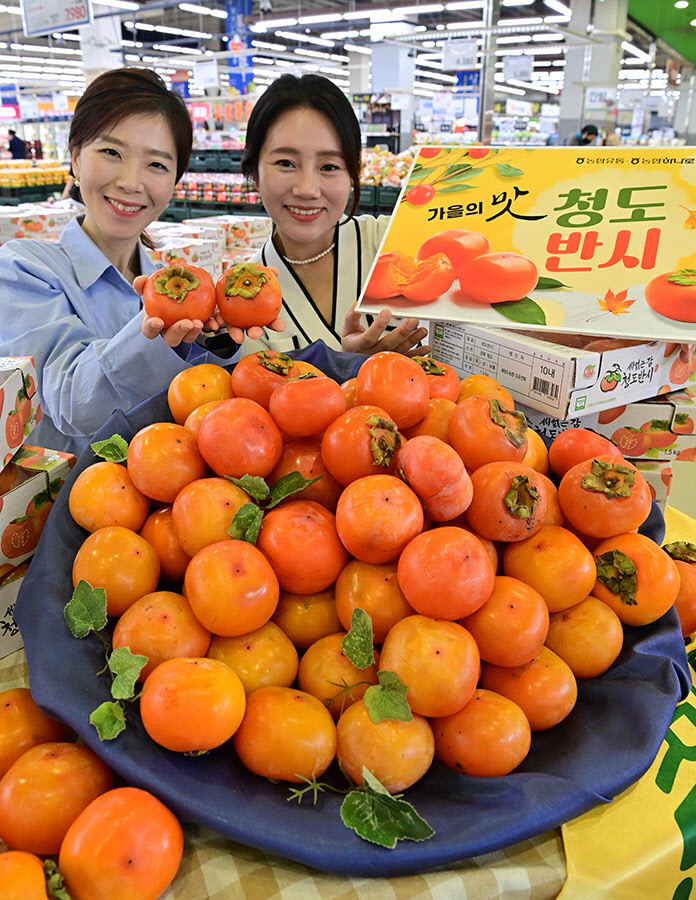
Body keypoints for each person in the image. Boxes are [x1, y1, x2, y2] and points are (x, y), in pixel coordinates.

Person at [0, 68, 253, 458]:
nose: (131, 182)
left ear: (174, 183)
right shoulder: (24, 269)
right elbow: (70, 402)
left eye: (156, 165)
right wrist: (159, 328)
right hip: (70, 509)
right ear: (76, 159)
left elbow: (198, 405)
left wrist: (215, 341)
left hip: (162, 504)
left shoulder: (173, 284)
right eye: (112, 153)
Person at [236, 73, 428, 358]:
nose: (307, 189)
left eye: (329, 166)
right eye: (286, 163)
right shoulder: (241, 296)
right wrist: (349, 367)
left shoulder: (392, 242)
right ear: (254, 171)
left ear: (352, 173)